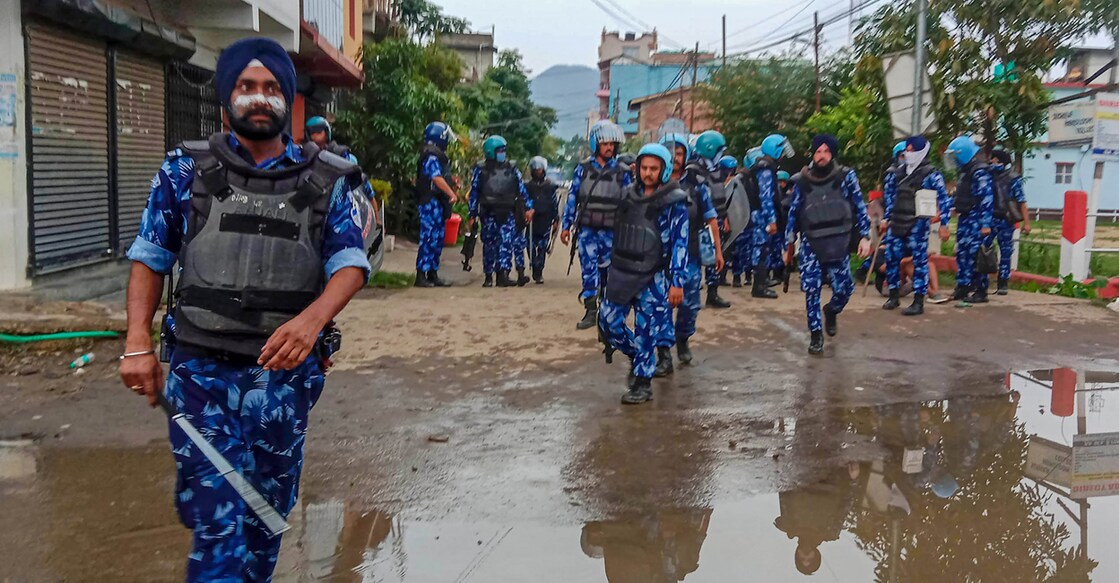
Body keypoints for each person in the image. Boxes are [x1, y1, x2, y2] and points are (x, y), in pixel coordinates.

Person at [119, 38, 370, 580]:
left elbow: (350, 263)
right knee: (218, 524)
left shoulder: (326, 179)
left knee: (263, 520)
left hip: (282, 379)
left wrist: (311, 321)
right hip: (200, 372)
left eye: (272, 88)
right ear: (228, 95)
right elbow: (148, 256)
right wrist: (137, 343)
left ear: (287, 100)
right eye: (247, 87)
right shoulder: (184, 170)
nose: (260, 98)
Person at [600, 143, 689, 405]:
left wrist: (677, 283)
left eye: (654, 168)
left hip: (655, 275)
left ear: (663, 170)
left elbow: (680, 243)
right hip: (623, 271)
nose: (648, 173)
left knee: (646, 331)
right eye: (644, 167)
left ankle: (643, 383)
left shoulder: (675, 201)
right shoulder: (627, 196)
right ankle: (638, 355)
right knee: (608, 321)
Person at [784, 134, 872, 355]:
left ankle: (831, 311)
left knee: (845, 289)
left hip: (838, 241)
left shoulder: (846, 177)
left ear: (832, 153)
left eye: (825, 151)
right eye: (817, 151)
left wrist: (865, 236)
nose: (821, 155)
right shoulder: (802, 181)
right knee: (811, 290)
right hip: (811, 242)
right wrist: (789, 242)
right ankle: (815, 334)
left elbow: (859, 206)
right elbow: (794, 212)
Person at [652, 133, 724, 377]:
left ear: (686, 156)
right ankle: (663, 353)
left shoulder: (695, 183)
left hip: (690, 255)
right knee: (660, 306)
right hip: (658, 258)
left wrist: (717, 250)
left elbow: (711, 217)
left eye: (679, 153)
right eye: (670, 152)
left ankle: (682, 338)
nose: (675, 157)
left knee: (689, 304)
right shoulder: (650, 184)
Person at [561, 120, 631, 330]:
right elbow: (573, 198)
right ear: (596, 144)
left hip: (613, 232)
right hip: (588, 231)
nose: (610, 148)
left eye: (612, 144)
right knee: (589, 271)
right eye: (605, 144)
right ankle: (591, 311)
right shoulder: (582, 169)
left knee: (610, 273)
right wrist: (566, 226)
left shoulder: (623, 171)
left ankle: (609, 313)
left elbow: (630, 202)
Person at [880, 135, 951, 316]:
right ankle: (894, 296)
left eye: (912, 150)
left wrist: (944, 224)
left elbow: (943, 199)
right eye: (907, 150)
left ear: (921, 151)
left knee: (919, 262)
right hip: (897, 221)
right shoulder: (896, 174)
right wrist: (886, 219)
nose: (908, 153)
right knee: (891, 258)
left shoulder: (931, 174)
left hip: (917, 224)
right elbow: (889, 198)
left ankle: (918, 301)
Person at [468, 135, 533, 288]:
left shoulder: (511, 168)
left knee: (505, 243)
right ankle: (488, 276)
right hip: (488, 212)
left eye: (504, 150)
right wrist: (472, 214)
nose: (503, 153)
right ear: (491, 152)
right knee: (489, 244)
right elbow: (474, 193)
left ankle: (503, 274)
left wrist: (529, 208)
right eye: (500, 150)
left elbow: (521, 189)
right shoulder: (480, 170)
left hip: (507, 211)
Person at [944, 135, 996, 304]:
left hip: (977, 220)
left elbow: (986, 198)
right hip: (965, 218)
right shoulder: (965, 172)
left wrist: (986, 224)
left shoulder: (979, 172)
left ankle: (981, 290)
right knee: (963, 254)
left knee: (976, 255)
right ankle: (963, 286)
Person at [415, 121, 459, 287]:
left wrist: (452, 183)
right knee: (428, 238)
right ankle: (421, 275)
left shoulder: (438, 156)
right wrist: (450, 193)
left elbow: (442, 177)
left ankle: (432, 273)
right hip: (429, 203)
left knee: (437, 239)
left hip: (437, 203)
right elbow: (436, 178)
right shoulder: (431, 156)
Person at [691, 131, 733, 308]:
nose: (720, 155)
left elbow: (719, 196)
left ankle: (712, 293)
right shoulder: (694, 171)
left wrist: (724, 217)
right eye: (719, 151)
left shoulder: (714, 170)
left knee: (714, 259)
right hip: (700, 223)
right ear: (709, 150)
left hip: (715, 220)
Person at [749, 134, 791, 299]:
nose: (783, 154)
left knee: (763, 249)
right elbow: (765, 198)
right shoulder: (766, 170)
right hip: (762, 216)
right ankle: (759, 287)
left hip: (761, 215)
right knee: (760, 249)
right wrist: (771, 220)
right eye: (781, 150)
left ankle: (761, 283)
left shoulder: (766, 167)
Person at [989, 149, 1031, 295]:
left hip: (1006, 220)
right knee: (983, 248)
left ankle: (1003, 283)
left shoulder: (1013, 179)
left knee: (1006, 252)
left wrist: (1027, 223)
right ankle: (982, 279)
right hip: (989, 219)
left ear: (1001, 161)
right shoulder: (988, 176)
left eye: (994, 160)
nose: (992, 163)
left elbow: (1021, 201)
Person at [524, 156, 561, 284]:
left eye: (540, 169)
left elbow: (554, 203)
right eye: (536, 170)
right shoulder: (527, 186)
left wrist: (556, 219)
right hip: (532, 221)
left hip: (545, 220)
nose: (538, 172)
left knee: (542, 248)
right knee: (530, 246)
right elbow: (523, 202)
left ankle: (539, 271)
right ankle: (534, 266)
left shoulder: (550, 186)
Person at [730, 148, 763, 288]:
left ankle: (749, 275)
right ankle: (737, 276)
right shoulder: (739, 179)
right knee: (738, 248)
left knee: (750, 248)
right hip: (739, 218)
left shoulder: (757, 178)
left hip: (753, 219)